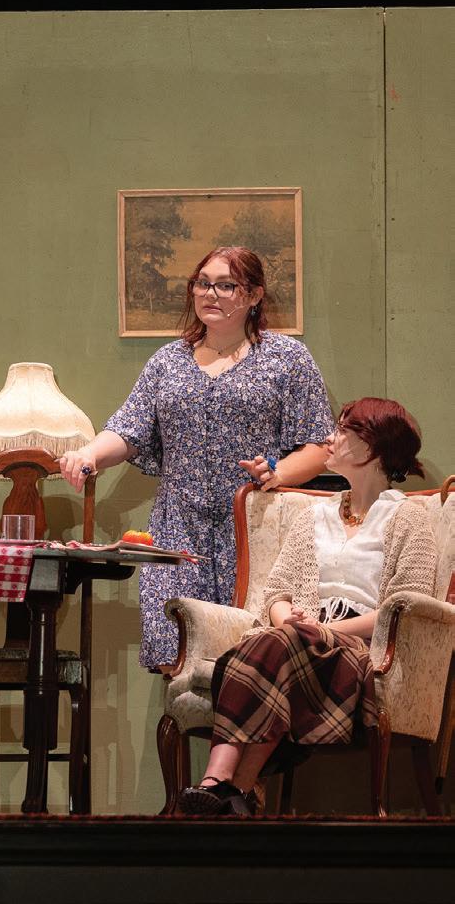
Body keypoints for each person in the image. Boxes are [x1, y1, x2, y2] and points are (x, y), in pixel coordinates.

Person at [59, 246, 334, 669]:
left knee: (254, 659)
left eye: (226, 285)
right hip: (178, 530)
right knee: (178, 654)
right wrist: (89, 453)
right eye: (202, 283)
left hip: (255, 528)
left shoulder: (287, 359)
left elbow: (319, 445)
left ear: (254, 295)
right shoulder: (168, 362)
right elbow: (129, 429)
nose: (210, 293)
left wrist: (277, 473)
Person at [178, 397, 437, 815]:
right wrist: (292, 623)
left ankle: (219, 781)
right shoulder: (316, 516)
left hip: (358, 647)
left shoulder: (408, 519)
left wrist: (326, 632)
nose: (331, 439)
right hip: (298, 637)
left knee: (277, 647)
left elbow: (404, 607)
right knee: (278, 644)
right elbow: (277, 592)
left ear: (373, 447)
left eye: (343, 431)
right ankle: (235, 793)